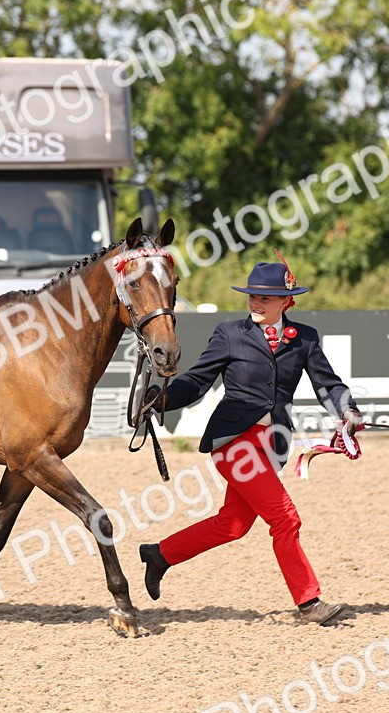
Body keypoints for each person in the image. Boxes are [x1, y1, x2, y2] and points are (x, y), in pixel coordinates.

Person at [139, 256, 364, 625]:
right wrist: (162, 398)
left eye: (264, 298)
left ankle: (161, 554)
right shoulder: (229, 333)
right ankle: (309, 602)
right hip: (234, 443)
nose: (255, 303)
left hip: (271, 444)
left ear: (286, 302)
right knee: (285, 518)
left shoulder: (304, 339)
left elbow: (328, 384)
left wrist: (347, 411)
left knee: (233, 524)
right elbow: (197, 380)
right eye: (252, 297)